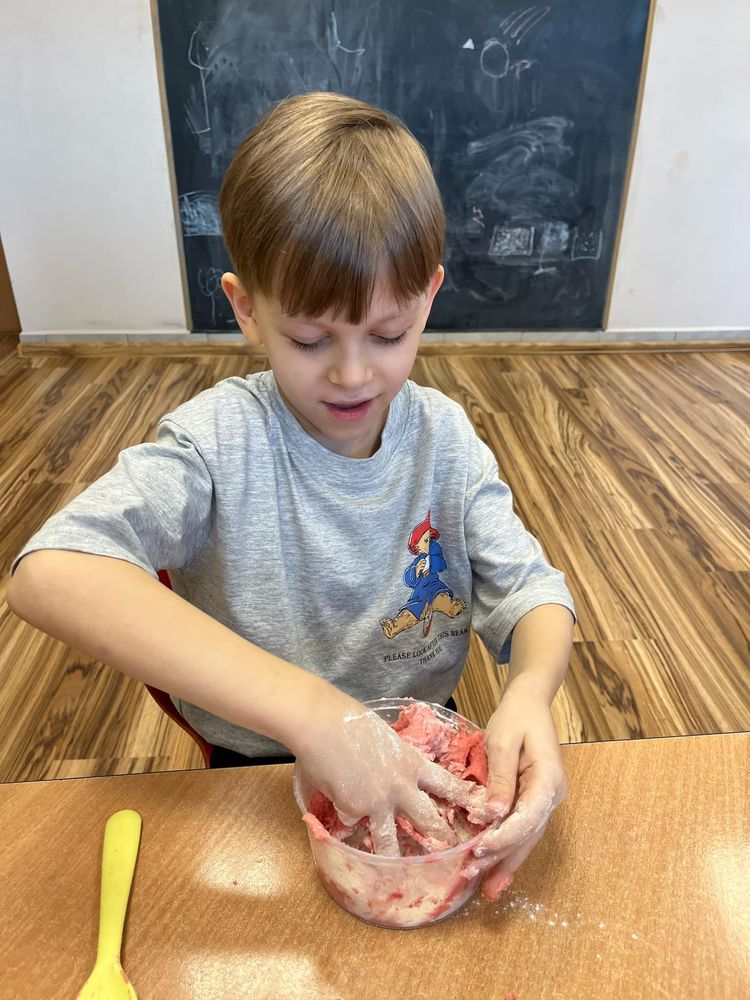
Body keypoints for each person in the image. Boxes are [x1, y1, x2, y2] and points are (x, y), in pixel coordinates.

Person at [8, 91, 575, 901]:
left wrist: (530, 691)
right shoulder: (216, 443)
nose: (353, 373)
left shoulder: (444, 440)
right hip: (257, 759)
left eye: (389, 334)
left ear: (428, 298)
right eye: (310, 339)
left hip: (418, 739)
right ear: (246, 309)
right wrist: (314, 713)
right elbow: (50, 573)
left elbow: (533, 594)